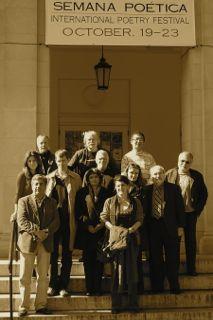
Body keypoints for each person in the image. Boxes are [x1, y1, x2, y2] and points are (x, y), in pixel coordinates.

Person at [17, 174, 59, 317]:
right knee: (25, 276)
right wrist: (37, 232)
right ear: (32, 185)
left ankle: (41, 305)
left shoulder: (52, 202)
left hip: (45, 242)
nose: (38, 186)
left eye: (41, 184)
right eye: (35, 184)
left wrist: (46, 231)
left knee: (43, 276)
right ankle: (24, 306)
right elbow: (21, 220)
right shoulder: (23, 201)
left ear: (45, 186)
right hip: (27, 243)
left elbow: (56, 222)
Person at [100, 175, 143, 313]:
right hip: (115, 241)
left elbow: (140, 218)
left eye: (123, 185)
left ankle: (133, 304)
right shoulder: (110, 201)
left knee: (132, 271)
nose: (120, 188)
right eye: (118, 186)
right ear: (115, 187)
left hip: (131, 239)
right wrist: (113, 229)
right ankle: (116, 305)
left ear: (128, 187)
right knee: (116, 271)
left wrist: (130, 230)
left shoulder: (135, 202)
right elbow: (104, 217)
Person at [143, 165, 185, 294]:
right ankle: (157, 286)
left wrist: (181, 226)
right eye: (155, 174)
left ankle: (174, 285)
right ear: (151, 176)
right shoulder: (146, 190)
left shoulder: (173, 189)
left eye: (160, 173)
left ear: (164, 175)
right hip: (153, 228)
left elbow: (180, 209)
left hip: (170, 227)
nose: (157, 176)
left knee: (173, 257)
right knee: (155, 258)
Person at [46, 149, 82, 297]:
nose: (61, 163)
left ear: (68, 160)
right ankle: (52, 284)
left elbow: (79, 200)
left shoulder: (76, 178)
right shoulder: (49, 178)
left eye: (64, 160)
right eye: (59, 160)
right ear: (55, 161)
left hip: (69, 221)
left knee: (67, 254)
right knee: (53, 255)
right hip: (53, 222)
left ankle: (64, 285)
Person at [166, 151, 208, 276]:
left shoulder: (197, 176)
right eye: (182, 161)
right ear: (178, 161)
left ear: (191, 163)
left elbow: (204, 195)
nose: (184, 164)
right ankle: (175, 270)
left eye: (187, 162)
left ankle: (191, 269)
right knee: (174, 242)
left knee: (191, 242)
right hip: (175, 216)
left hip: (190, 214)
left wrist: (197, 210)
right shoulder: (169, 174)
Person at [75, 168, 108, 295]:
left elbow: (108, 210)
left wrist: (100, 225)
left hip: (101, 231)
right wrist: (88, 226)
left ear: (100, 178)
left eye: (96, 177)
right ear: (87, 180)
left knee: (99, 261)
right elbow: (78, 212)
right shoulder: (82, 193)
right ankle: (89, 289)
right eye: (91, 177)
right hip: (87, 232)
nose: (94, 179)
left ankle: (98, 288)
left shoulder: (106, 192)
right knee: (88, 262)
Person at [124, 163, 146, 293]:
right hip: (123, 227)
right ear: (127, 172)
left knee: (136, 258)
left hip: (137, 227)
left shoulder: (142, 188)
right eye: (131, 173)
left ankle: (138, 287)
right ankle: (125, 286)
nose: (133, 175)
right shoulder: (121, 186)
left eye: (136, 173)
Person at [11, 151, 43, 222]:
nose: (32, 163)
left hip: (38, 210)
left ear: (38, 161)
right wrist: (16, 211)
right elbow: (18, 195)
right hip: (25, 209)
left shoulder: (41, 175)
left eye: (34, 160)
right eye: (29, 161)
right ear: (26, 163)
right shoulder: (22, 176)